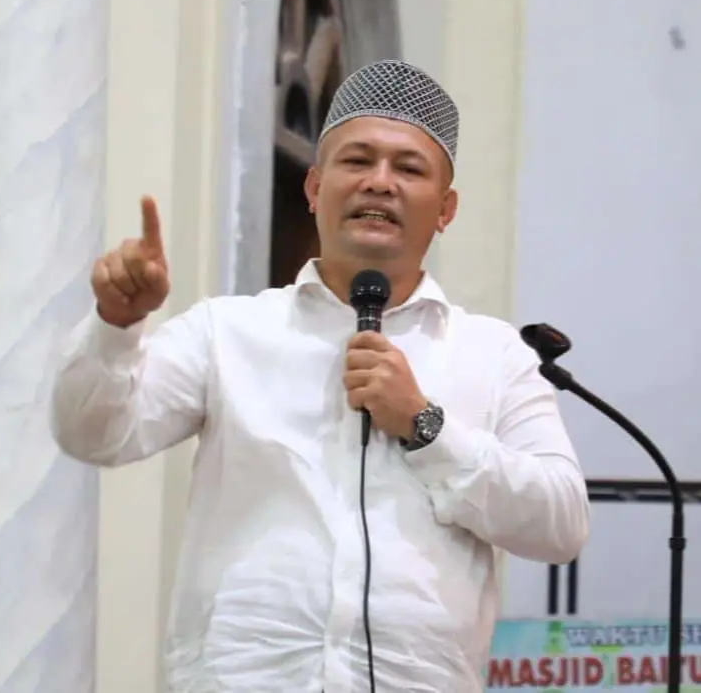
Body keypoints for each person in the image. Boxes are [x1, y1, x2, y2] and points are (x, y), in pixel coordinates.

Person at [51, 59, 590, 692]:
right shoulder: (228, 332)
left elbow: (561, 524)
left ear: (445, 209)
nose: (379, 183)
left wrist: (425, 426)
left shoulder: (495, 354)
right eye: (357, 161)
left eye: (408, 168)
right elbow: (94, 435)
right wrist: (117, 325)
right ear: (314, 188)